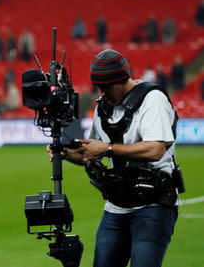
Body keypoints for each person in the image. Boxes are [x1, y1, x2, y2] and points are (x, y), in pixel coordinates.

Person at [47, 49, 181, 267]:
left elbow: (156, 149)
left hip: (154, 203)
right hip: (117, 206)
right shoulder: (103, 108)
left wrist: (107, 148)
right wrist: (65, 153)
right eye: (99, 87)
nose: (103, 92)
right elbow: (91, 154)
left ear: (122, 80)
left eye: (107, 87)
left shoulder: (152, 99)